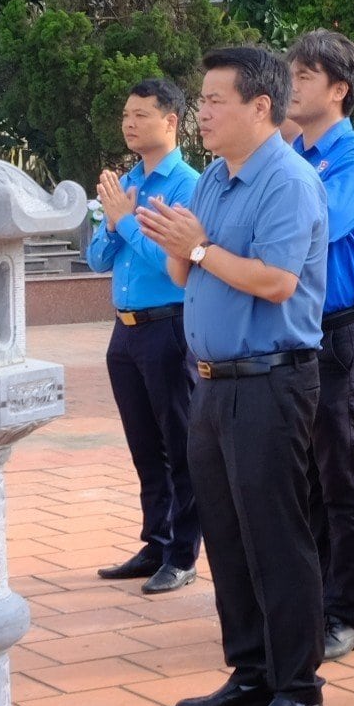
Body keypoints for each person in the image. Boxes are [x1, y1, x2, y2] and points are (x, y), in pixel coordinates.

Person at [137, 46, 333, 706]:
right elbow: (185, 273)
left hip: (272, 379)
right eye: (202, 99)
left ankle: (299, 687)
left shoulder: (288, 181)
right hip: (214, 383)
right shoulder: (214, 180)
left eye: (216, 100)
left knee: (275, 533)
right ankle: (250, 669)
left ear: (260, 106)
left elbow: (278, 282)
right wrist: (177, 242)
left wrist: (198, 247)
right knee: (225, 531)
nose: (203, 113)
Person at [287, 29, 354, 661]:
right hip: (296, 332)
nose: (292, 86)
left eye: (304, 76)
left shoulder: (353, 157)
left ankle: (348, 610)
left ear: (338, 89)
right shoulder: (291, 152)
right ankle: (316, 596)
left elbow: (316, 225)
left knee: (343, 473)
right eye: (291, 74)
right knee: (305, 476)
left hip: (343, 331)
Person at [85, 77, 206, 594]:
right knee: (143, 446)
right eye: (125, 115)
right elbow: (95, 258)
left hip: (170, 327)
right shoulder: (127, 182)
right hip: (126, 332)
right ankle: (155, 542)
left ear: (171, 121)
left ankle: (183, 554)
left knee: (180, 445)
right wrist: (114, 223)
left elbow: (171, 261)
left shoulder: (187, 185)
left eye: (141, 114)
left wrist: (126, 222)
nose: (129, 124)